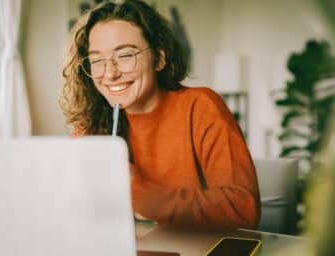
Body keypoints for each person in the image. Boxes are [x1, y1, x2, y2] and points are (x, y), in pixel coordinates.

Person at [61, 0, 260, 230]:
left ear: (159, 58)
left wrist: (140, 193)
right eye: (97, 60)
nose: (110, 73)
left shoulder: (201, 107)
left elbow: (243, 210)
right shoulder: (93, 124)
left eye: (125, 55)